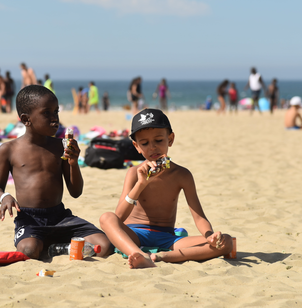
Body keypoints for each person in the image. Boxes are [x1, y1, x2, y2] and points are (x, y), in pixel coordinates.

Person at [99, 108, 233, 269]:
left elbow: (199, 217)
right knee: (106, 218)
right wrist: (141, 184)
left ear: (170, 139)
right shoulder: (134, 173)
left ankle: (162, 257)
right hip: (135, 235)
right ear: (136, 146)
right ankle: (139, 254)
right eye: (145, 143)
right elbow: (118, 217)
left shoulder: (182, 175)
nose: (152, 147)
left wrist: (210, 236)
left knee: (226, 242)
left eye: (158, 140)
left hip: (167, 238)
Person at [0, 85, 112, 259]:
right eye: (46, 113)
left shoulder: (60, 147)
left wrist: (73, 163)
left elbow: (75, 192)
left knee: (104, 245)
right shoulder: (8, 150)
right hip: (30, 219)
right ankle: (50, 244)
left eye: (56, 112)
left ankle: (58, 247)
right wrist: (5, 197)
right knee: (29, 251)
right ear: (26, 119)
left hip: (60, 217)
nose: (54, 119)